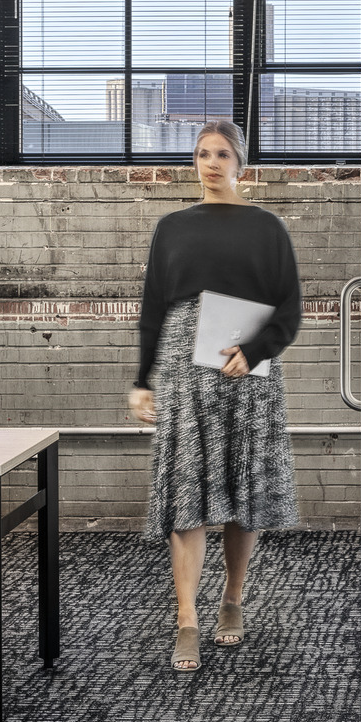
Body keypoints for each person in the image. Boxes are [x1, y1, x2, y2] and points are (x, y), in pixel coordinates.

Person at [128, 120, 302, 673]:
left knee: (241, 492)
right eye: (203, 153)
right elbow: (153, 311)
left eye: (223, 154)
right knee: (188, 500)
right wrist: (141, 379)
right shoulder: (172, 228)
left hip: (244, 373)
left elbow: (290, 310)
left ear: (241, 163)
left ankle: (232, 600)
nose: (211, 163)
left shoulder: (267, 228)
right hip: (184, 372)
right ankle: (186, 620)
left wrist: (254, 350)